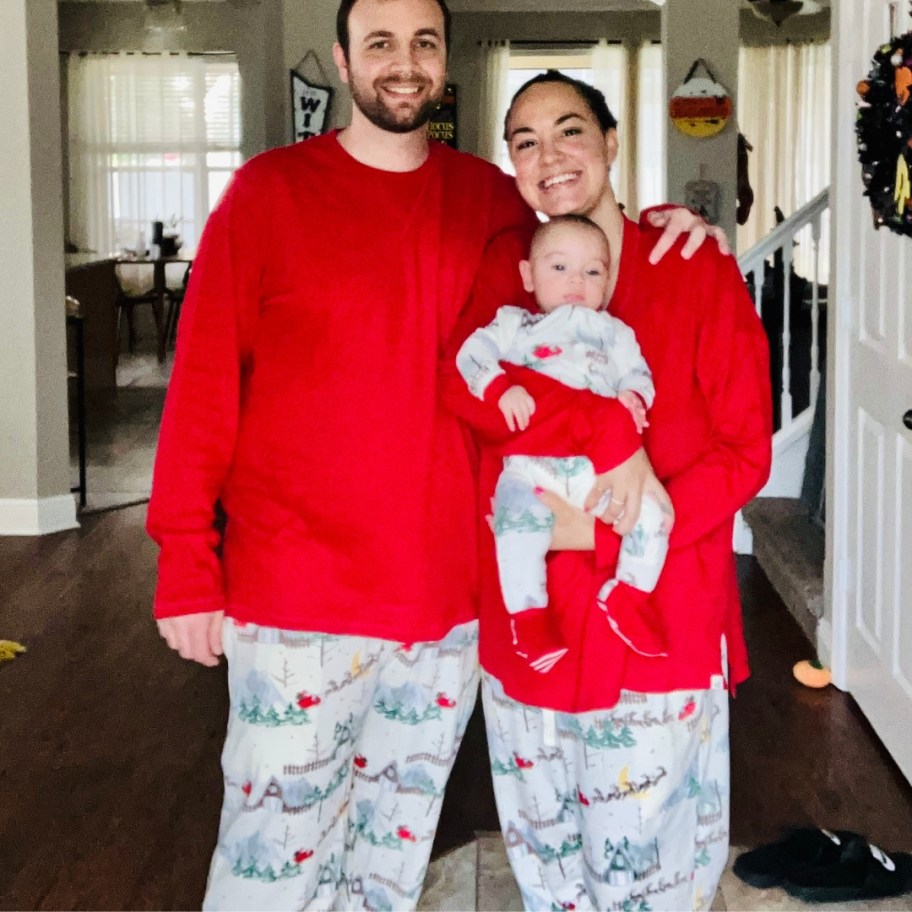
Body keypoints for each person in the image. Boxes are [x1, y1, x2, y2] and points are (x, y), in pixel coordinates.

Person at [146, 0, 728, 905]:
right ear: (343, 61)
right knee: (271, 862)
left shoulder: (493, 203)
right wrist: (186, 559)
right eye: (379, 43)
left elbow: (581, 241)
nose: (404, 63)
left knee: (389, 869)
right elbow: (203, 390)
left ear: (446, 61)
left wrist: (669, 223)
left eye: (423, 43)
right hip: (297, 602)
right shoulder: (267, 193)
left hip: (448, 614)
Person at [442, 71, 773, 911]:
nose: (549, 155)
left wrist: (612, 528)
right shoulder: (509, 272)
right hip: (535, 628)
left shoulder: (692, 269)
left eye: (571, 130)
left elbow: (744, 452)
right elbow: (468, 394)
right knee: (548, 865)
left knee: (650, 872)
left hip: (658, 626)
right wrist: (609, 439)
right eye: (525, 140)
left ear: (613, 141)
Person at [456, 215, 673, 674]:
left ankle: (629, 594)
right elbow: (469, 355)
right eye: (559, 268)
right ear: (528, 276)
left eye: (592, 272)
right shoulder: (516, 325)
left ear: (608, 280)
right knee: (517, 524)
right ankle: (529, 617)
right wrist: (499, 387)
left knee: (654, 514)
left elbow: (638, 375)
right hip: (530, 467)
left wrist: (632, 399)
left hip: (597, 470)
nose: (576, 281)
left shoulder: (615, 333)